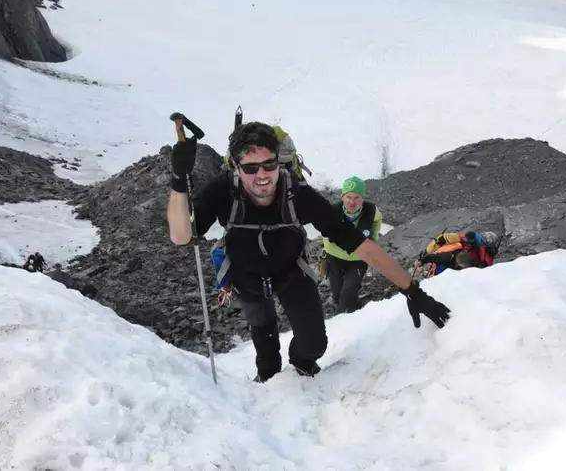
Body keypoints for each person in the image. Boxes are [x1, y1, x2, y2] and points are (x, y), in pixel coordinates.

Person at [167, 122, 451, 383]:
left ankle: (300, 364)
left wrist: (412, 290)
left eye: (269, 164)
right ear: (236, 167)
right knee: (264, 341)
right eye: (251, 168)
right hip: (245, 275)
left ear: (279, 162)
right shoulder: (223, 191)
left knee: (314, 343)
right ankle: (269, 378)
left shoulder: (297, 195)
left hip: (291, 273)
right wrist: (179, 181)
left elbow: (360, 244)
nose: (262, 175)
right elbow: (182, 236)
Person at [321, 176, 383, 313]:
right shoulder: (333, 212)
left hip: (359, 261)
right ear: (342, 197)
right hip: (335, 259)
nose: (352, 201)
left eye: (357, 197)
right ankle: (354, 311)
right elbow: (327, 240)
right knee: (337, 296)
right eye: (349, 197)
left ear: (363, 198)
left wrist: (374, 237)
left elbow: (378, 221)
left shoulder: (372, 211)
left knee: (346, 296)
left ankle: (347, 319)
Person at [417, 230, 500, 277]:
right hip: (454, 258)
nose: (466, 243)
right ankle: (428, 268)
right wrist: (427, 251)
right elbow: (442, 239)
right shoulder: (461, 241)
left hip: (465, 264)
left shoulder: (483, 256)